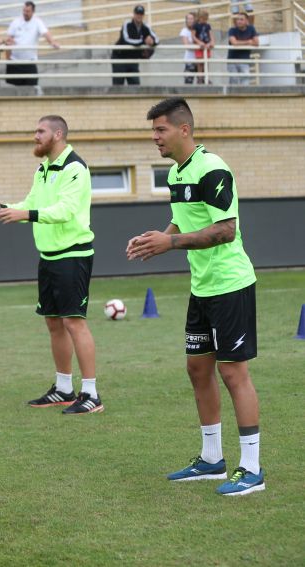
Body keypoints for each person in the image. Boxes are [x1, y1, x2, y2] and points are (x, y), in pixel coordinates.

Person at [127, 97, 264, 496]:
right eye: (153, 131)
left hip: (230, 286)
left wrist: (170, 244)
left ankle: (252, 468)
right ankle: (211, 459)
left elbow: (225, 230)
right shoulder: (176, 173)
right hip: (201, 288)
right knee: (197, 369)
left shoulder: (213, 168)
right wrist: (160, 237)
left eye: (161, 130)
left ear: (183, 129)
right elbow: (184, 220)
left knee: (233, 373)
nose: (155, 137)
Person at [0, 116, 102, 415]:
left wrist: (26, 215)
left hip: (73, 255)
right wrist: (1, 207)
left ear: (58, 134)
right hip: (49, 257)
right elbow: (31, 203)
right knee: (54, 323)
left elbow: (66, 210)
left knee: (74, 322)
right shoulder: (43, 169)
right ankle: (64, 389)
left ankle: (92, 394)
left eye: (40, 131)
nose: (35, 136)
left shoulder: (75, 167)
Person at [5, 1, 60, 87]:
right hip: (15, 61)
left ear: (33, 12)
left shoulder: (37, 22)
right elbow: (8, 38)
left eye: (27, 11)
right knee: (16, 90)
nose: (25, 13)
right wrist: (8, 59)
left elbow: (45, 33)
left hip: (29, 62)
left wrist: (52, 42)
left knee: (32, 87)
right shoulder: (16, 22)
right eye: (24, 11)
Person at [111, 5, 158, 86]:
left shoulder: (145, 27)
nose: (139, 16)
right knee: (118, 87)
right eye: (137, 13)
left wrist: (151, 41)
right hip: (119, 58)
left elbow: (156, 39)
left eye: (141, 14)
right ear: (134, 14)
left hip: (133, 60)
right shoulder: (127, 24)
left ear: (143, 15)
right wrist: (143, 41)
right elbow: (126, 40)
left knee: (135, 86)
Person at [228, 13, 259, 85]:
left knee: (245, 79)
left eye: (241, 19)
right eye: (237, 19)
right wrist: (248, 42)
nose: (239, 21)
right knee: (234, 80)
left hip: (245, 60)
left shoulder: (251, 29)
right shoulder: (232, 30)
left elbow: (256, 43)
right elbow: (234, 43)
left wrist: (240, 43)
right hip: (232, 60)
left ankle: (244, 93)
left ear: (247, 21)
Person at [192, 10, 215, 84]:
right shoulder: (195, 25)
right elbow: (193, 36)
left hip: (206, 46)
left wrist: (211, 42)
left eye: (206, 19)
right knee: (200, 63)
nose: (205, 21)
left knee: (206, 63)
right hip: (199, 46)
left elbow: (211, 35)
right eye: (203, 19)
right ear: (200, 18)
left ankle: (206, 77)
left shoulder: (208, 26)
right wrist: (199, 42)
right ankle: (200, 78)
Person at [180, 12, 199, 84]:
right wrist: (200, 45)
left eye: (192, 19)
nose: (190, 21)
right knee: (188, 82)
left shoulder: (198, 29)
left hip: (200, 60)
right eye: (188, 19)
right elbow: (187, 45)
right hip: (189, 61)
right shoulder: (184, 31)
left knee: (202, 82)